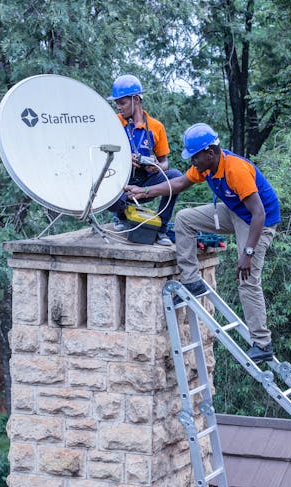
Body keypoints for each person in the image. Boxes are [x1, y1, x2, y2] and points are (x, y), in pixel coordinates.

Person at [125, 123, 280, 362]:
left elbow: (258, 213)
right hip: (235, 211)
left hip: (259, 223)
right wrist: (145, 192)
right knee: (185, 219)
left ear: (210, 153)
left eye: (195, 156)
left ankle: (262, 343)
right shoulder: (207, 168)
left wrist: (247, 253)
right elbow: (178, 184)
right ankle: (191, 281)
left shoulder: (235, 170)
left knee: (247, 281)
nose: (193, 162)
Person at [106, 74, 182, 246]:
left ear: (136, 100)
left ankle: (161, 228)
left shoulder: (156, 127)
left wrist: (156, 167)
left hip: (145, 183)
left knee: (176, 176)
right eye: (116, 103)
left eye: (122, 103)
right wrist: (123, 159)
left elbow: (165, 162)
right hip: (121, 184)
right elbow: (103, 154)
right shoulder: (113, 122)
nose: (118, 107)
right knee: (107, 191)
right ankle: (121, 216)